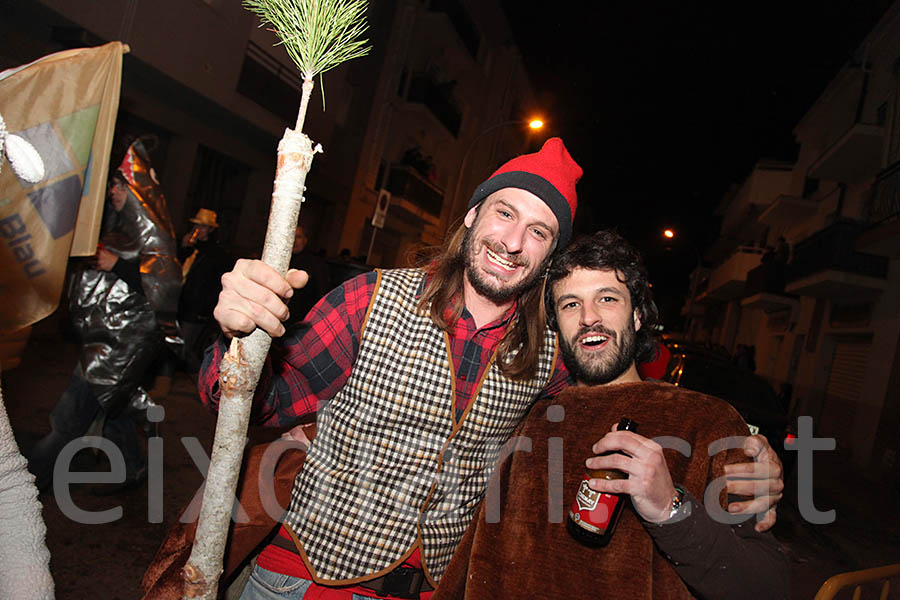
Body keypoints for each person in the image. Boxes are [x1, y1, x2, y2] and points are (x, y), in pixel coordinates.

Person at [199, 138, 782, 599]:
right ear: (475, 214)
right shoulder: (369, 300)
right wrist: (240, 338)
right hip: (302, 582)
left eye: (539, 231)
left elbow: (623, 395)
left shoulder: (551, 353)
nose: (513, 241)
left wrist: (747, 444)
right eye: (505, 213)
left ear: (549, 256)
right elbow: (253, 401)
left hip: (431, 592)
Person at [433, 230, 789, 599]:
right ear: (557, 327)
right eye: (570, 304)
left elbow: (766, 587)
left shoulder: (707, 423)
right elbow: (477, 557)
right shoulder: (532, 416)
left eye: (606, 298)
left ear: (636, 316)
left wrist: (672, 509)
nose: (589, 318)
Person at [28, 140, 181, 495]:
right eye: (112, 185)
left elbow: (166, 285)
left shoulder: (153, 230)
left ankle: (25, 488)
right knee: (112, 405)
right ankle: (134, 466)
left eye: (119, 185)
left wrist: (120, 265)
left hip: (121, 344)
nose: (112, 191)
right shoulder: (121, 225)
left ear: (136, 190)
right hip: (103, 336)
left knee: (69, 419)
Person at [177, 208, 233, 372]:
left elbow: (216, 282)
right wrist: (183, 248)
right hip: (179, 304)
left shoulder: (216, 254)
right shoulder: (189, 247)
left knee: (185, 347)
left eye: (202, 227)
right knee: (176, 344)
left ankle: (202, 375)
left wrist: (208, 308)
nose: (197, 230)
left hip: (197, 309)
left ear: (210, 230)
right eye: (195, 226)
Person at [285, 224, 329, 326]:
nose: (295, 241)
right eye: (292, 236)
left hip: (301, 321)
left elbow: (321, 292)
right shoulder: (283, 260)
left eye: (298, 237)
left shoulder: (316, 263)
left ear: (305, 240)